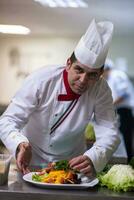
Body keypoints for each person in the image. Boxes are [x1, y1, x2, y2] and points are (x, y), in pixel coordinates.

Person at [0, 19, 120, 176]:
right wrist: (19, 143)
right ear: (68, 64)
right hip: (30, 162)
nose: (83, 80)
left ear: (100, 74)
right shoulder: (41, 80)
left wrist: (93, 157)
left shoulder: (101, 89)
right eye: (79, 70)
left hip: (71, 166)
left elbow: (109, 129)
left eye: (92, 75)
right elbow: (7, 121)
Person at [103, 59, 134, 161]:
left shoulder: (117, 75)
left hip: (125, 110)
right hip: (119, 110)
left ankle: (129, 160)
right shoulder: (110, 78)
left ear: (105, 69)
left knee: (126, 137)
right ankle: (127, 158)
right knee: (123, 137)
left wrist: (109, 105)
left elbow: (123, 94)